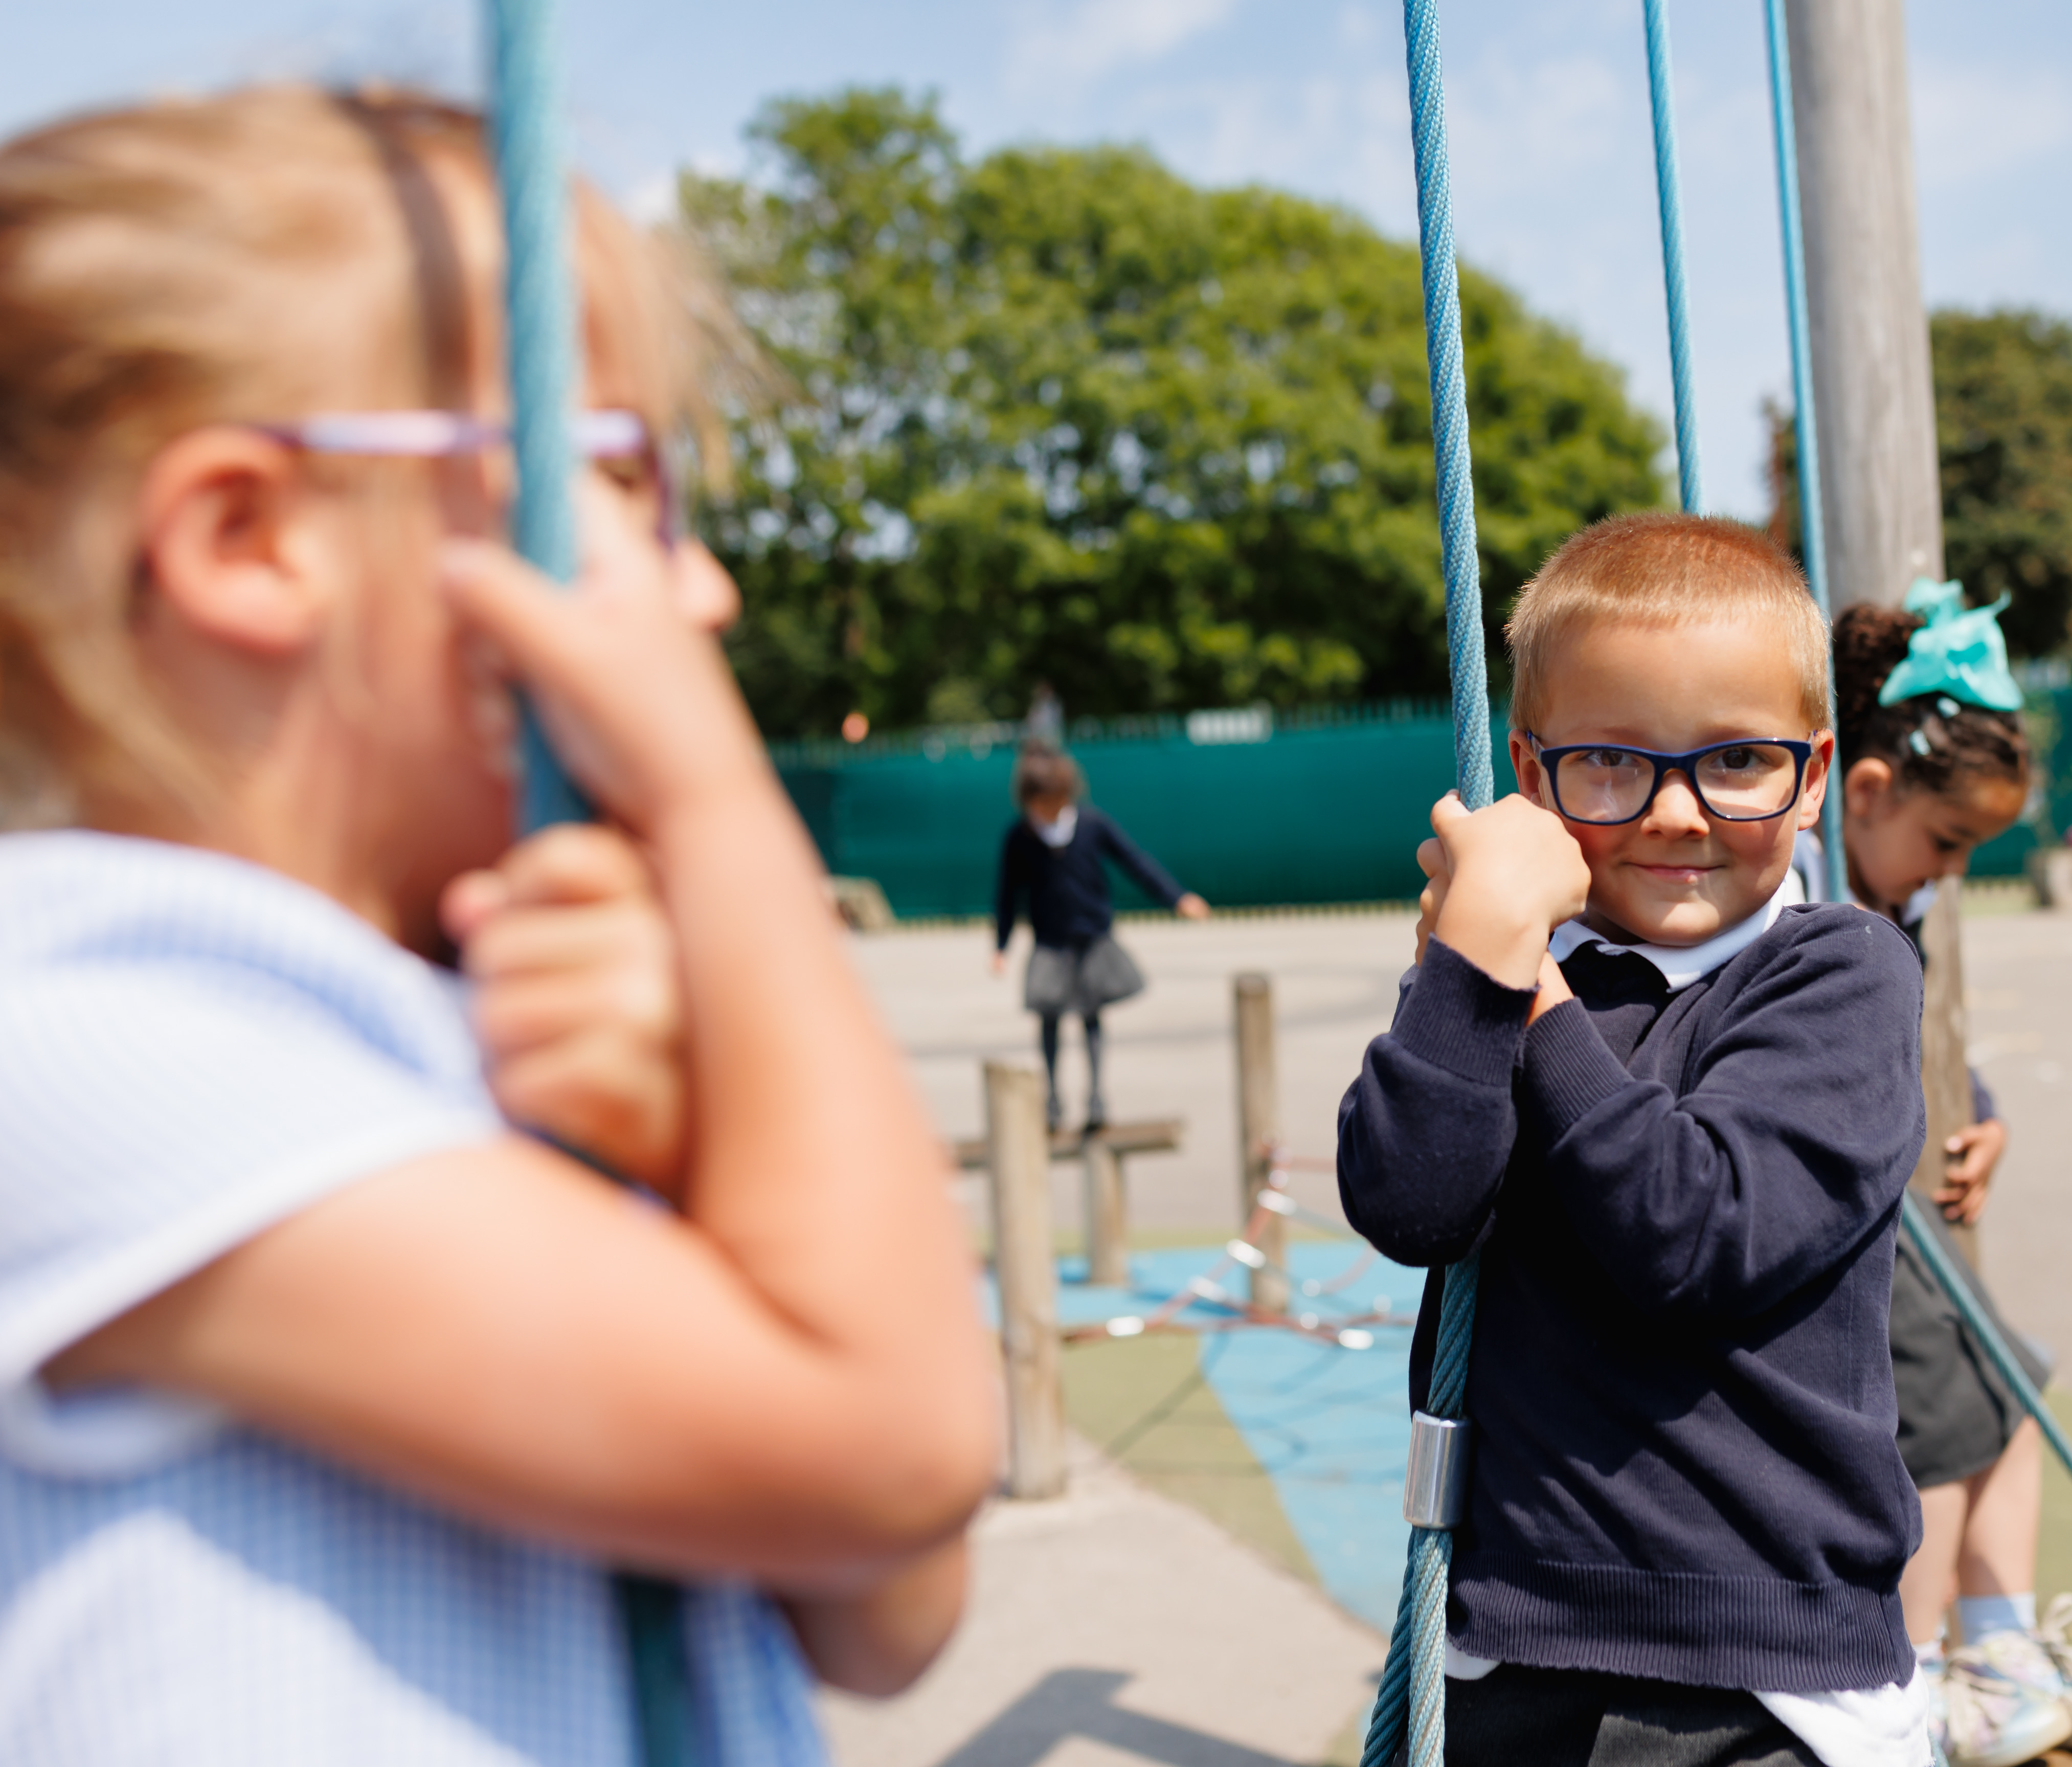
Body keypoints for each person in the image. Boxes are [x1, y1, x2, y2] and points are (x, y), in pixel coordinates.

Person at [0, 86, 999, 1763]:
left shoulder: (453, 1026)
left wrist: (691, 1148)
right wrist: (718, 816)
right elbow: (891, 1439)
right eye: (616, 487)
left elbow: (890, 1602)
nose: (702, 593)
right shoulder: (78, 1043)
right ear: (251, 539)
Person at [1339, 514, 1932, 1766]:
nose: (1673, 814)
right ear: (1529, 772)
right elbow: (1410, 1205)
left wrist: (1529, 989)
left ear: (1813, 773)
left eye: (1736, 762)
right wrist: (1467, 976)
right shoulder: (1500, 966)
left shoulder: (1836, 971)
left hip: (1753, 1673)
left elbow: (1693, 1231)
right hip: (1508, 1634)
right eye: (1609, 764)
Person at [1814, 583, 2072, 1767]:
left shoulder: (1884, 896)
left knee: (2008, 1386)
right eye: (1945, 843)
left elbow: (1912, 1052)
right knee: (1935, 1429)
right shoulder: (1811, 907)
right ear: (1865, 794)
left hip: (1893, 1209)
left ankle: (1999, 1648)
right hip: (1840, 1230)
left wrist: (1981, 1114)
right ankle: (1910, 1681)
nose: (1944, 873)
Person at [990, 745, 1208, 1133]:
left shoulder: (1092, 825)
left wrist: (1176, 897)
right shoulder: (1019, 837)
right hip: (1050, 942)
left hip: (1092, 937)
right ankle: (1053, 1098)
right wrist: (1001, 946)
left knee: (1091, 1017)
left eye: (1055, 803)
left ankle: (1095, 1096)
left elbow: (1135, 861)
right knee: (1049, 1017)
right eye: (1040, 805)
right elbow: (1007, 895)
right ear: (1028, 801)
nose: (1048, 812)